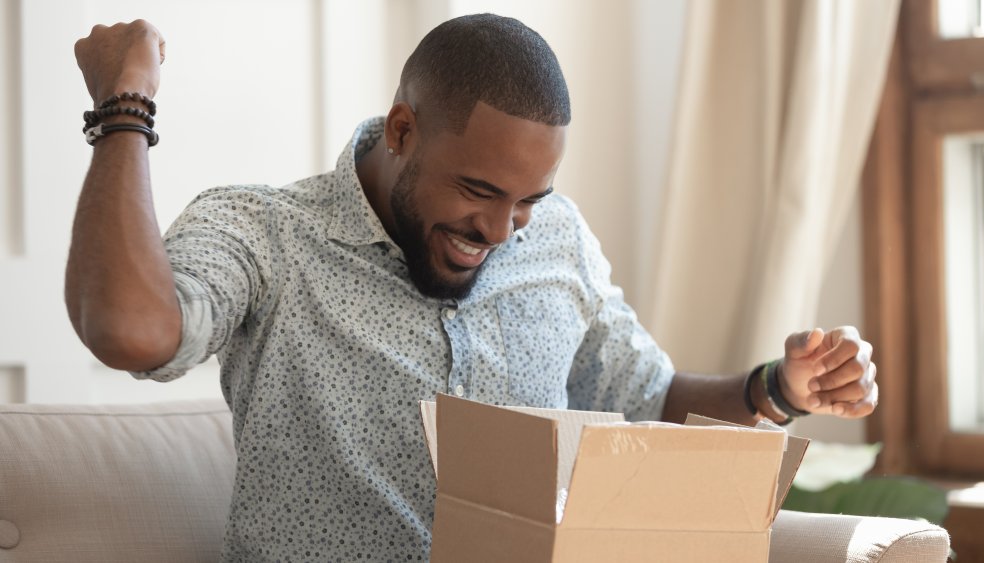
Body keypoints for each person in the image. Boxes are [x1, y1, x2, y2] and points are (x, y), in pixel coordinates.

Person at [67, 14, 878, 562]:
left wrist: (778, 386)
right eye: (479, 191)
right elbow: (130, 329)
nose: (501, 231)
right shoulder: (269, 235)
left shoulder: (555, 243)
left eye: (529, 199)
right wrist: (124, 107)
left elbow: (649, 396)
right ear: (402, 130)